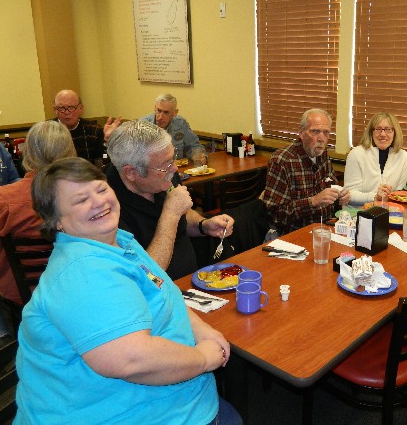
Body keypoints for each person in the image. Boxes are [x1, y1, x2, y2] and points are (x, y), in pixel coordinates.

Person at [13, 157, 241, 424]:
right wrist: (202, 359)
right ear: (57, 222)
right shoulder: (82, 273)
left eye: (100, 189)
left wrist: (204, 331)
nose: (98, 202)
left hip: (180, 401)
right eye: (80, 200)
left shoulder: (120, 242)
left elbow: (164, 292)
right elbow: (132, 360)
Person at [0, 121, 75, 355]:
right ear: (69, 151)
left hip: (21, 292)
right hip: (75, 285)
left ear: (27, 151)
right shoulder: (89, 192)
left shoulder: (2, 199)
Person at [106, 120, 233, 280]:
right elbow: (146, 277)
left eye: (172, 159)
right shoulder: (105, 209)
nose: (174, 169)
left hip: (190, 285)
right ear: (131, 172)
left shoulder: (165, 174)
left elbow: (183, 215)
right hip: (156, 299)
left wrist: (202, 225)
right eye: (165, 164)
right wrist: (170, 214)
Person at [262, 108, 351, 235]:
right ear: (301, 132)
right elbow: (275, 214)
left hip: (326, 228)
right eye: (315, 131)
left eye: (326, 132)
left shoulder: (323, 154)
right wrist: (312, 202)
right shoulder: (282, 161)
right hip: (295, 234)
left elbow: (331, 190)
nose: (321, 138)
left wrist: (341, 196)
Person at [344, 112, 407, 206]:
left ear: (395, 133)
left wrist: (390, 196)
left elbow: (399, 195)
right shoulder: (356, 154)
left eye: (388, 130)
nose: (383, 134)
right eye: (378, 129)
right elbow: (349, 195)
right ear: (371, 132)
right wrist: (375, 197)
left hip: (387, 211)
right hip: (357, 212)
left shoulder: (404, 157)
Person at [53, 89, 121, 164]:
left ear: (80, 108)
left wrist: (109, 141)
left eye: (71, 107)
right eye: (61, 108)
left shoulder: (94, 131)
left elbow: (104, 160)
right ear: (55, 110)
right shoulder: (46, 132)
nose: (66, 112)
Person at [141, 93, 208, 164]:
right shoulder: (142, 126)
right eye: (159, 111)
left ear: (175, 113)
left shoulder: (180, 124)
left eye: (166, 112)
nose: (160, 117)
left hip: (176, 170)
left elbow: (193, 146)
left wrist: (200, 155)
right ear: (154, 108)